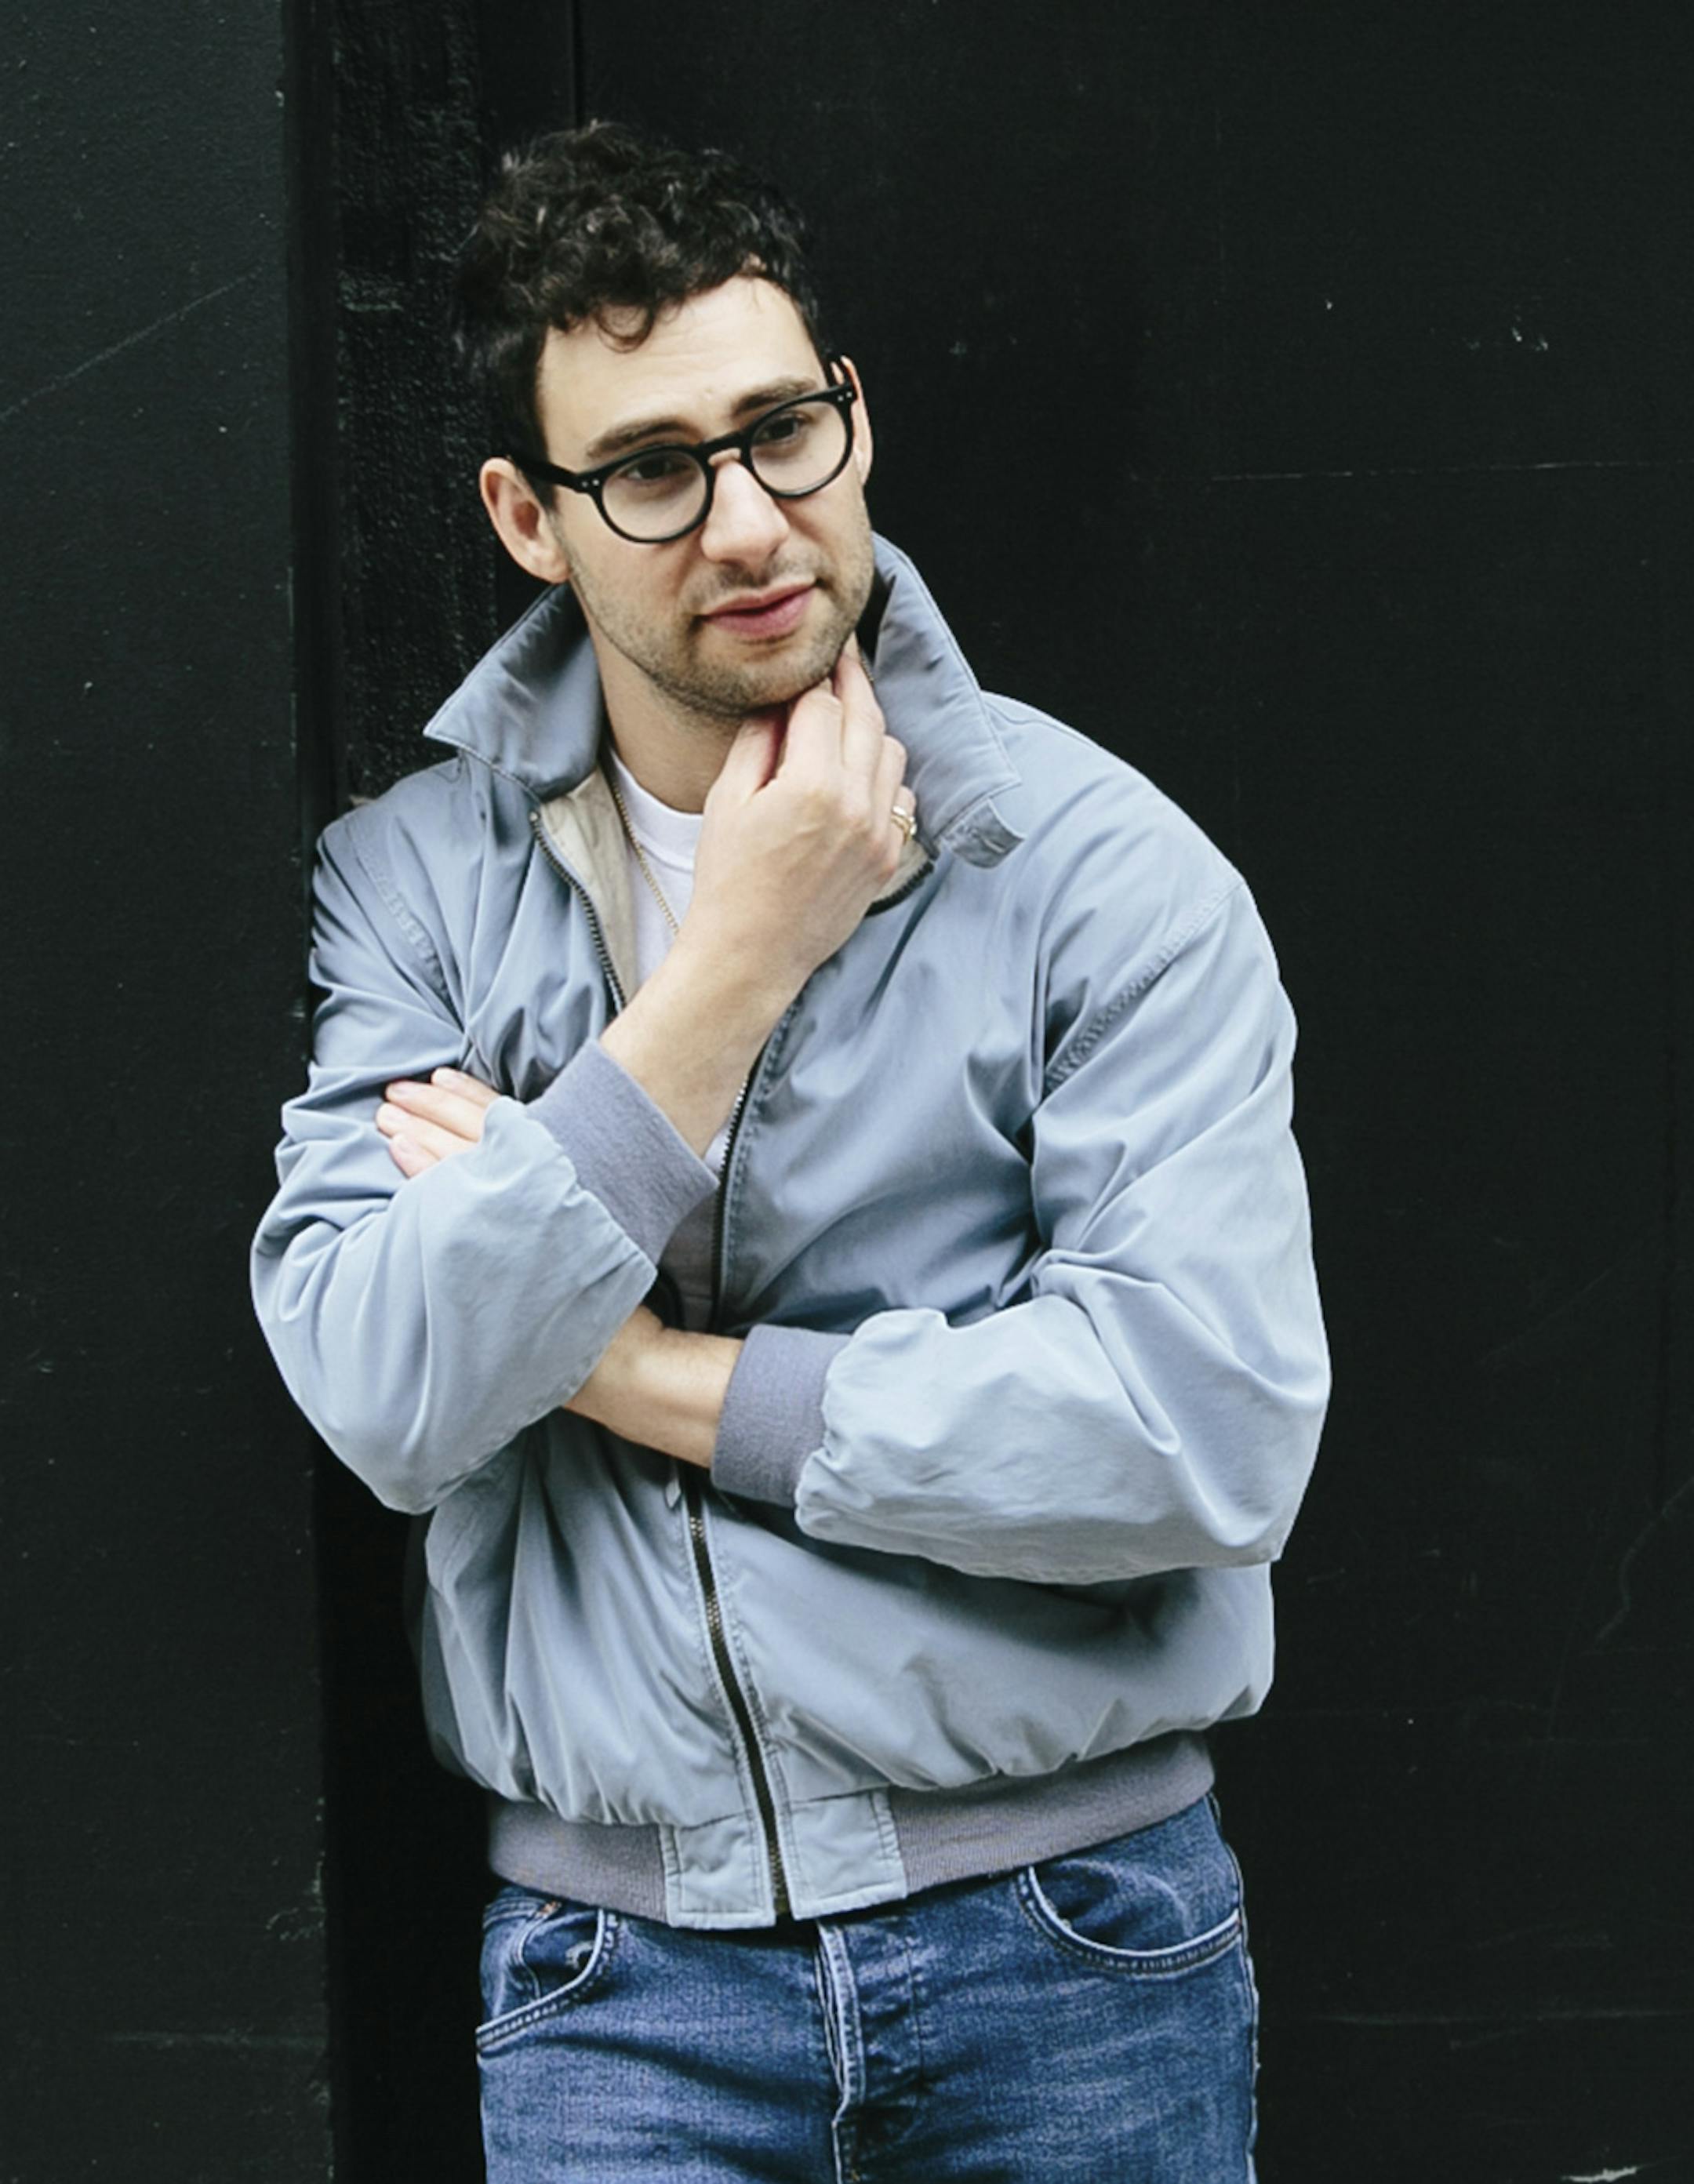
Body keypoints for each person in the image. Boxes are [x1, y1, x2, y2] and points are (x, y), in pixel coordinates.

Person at [253, 118, 1329, 2182]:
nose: (750, 521)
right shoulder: (414, 887)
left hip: (1076, 1947)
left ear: (854, 412)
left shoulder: (1097, 872)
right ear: (529, 516)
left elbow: (1193, 1433)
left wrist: (619, 1366)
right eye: (655, 468)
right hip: (621, 1987)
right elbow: (388, 1391)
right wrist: (729, 969)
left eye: (782, 432)